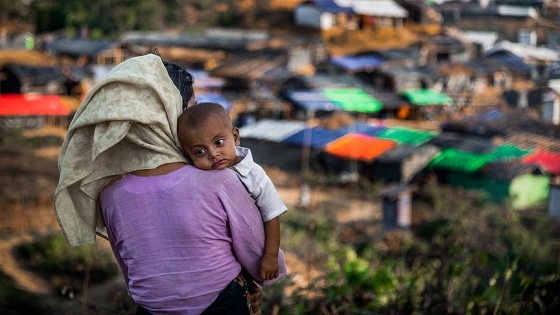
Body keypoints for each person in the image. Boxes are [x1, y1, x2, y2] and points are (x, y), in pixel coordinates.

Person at [54, 53, 286, 314]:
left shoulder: (110, 195)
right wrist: (255, 280)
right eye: (189, 109)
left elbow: (131, 267)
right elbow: (254, 248)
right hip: (220, 304)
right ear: (166, 112)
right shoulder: (219, 180)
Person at [177, 102, 287, 281]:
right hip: (221, 258)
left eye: (219, 142)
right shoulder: (197, 178)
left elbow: (272, 214)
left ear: (235, 137)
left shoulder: (254, 175)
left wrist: (271, 255)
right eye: (199, 151)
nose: (213, 154)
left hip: (255, 253)